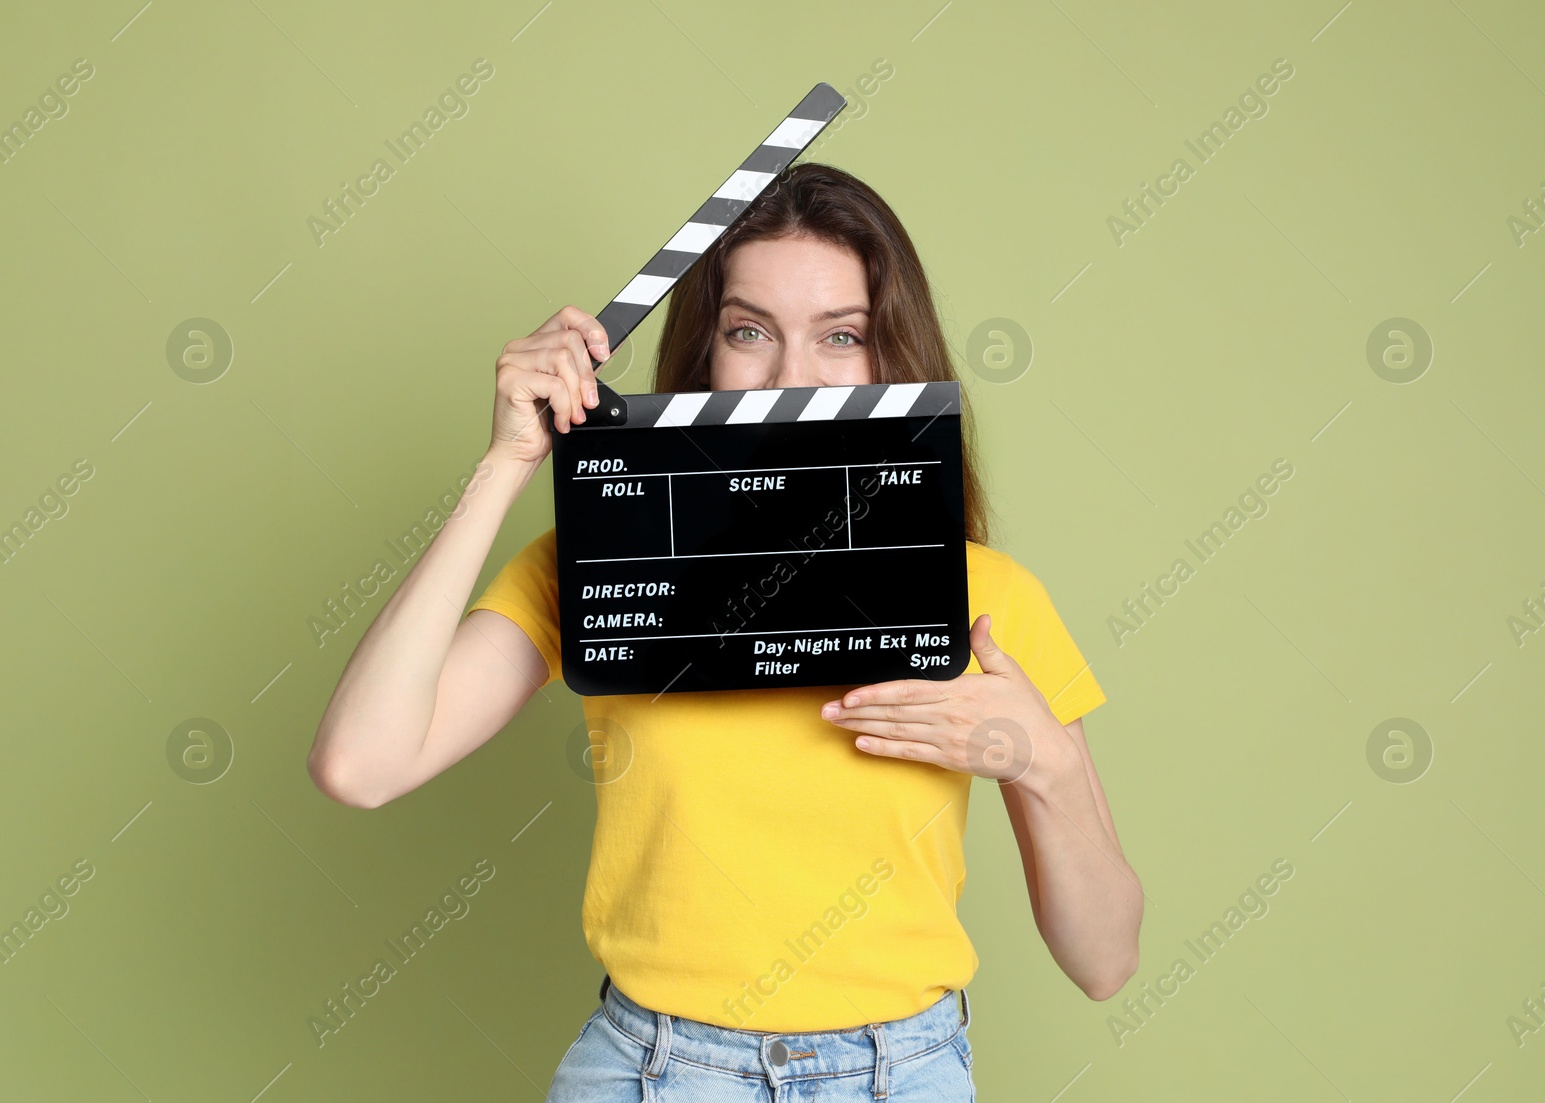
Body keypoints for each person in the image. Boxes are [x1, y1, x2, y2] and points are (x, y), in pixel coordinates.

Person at [307, 162, 1143, 1100]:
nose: (792, 376)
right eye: (751, 331)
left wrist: (1049, 764)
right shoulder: (602, 564)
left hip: (899, 1075)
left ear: (890, 357)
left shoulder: (981, 597)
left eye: (842, 336)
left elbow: (1104, 959)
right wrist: (506, 461)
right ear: (707, 351)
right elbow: (361, 764)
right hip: (652, 1070)